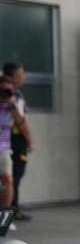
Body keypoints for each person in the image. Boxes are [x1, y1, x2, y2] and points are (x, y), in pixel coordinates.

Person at [1, 63, 33, 221]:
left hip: (5, 146)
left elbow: (21, 122)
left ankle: (6, 219)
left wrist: (11, 105)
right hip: (10, 142)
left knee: (10, 179)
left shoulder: (16, 98)